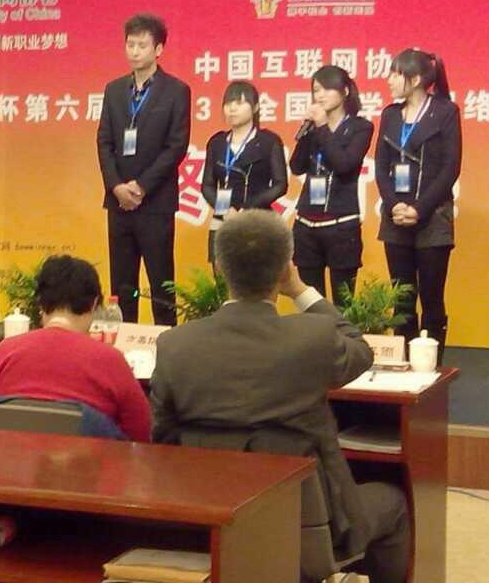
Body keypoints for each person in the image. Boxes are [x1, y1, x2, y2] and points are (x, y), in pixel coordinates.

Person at [150, 210, 409, 583]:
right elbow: (360, 349)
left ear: (219, 268)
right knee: (394, 503)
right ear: (286, 268)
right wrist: (301, 291)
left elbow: (162, 437)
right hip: (309, 529)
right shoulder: (313, 338)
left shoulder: (175, 344)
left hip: (206, 523)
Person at [0, 255, 151, 442]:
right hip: (90, 460)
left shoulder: (5, 351)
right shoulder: (110, 359)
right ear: (94, 303)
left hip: (12, 458)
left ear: (40, 302)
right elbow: (140, 433)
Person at [96, 13, 191, 325]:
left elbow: (176, 146)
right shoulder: (114, 90)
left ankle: (166, 343)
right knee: (123, 286)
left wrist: (141, 187)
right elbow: (104, 141)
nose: (134, 51)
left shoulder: (176, 91)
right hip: (119, 203)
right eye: (130, 44)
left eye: (142, 45)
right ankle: (122, 345)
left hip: (155, 202)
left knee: (161, 283)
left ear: (158, 49)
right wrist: (116, 186)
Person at [374, 48, 461, 362]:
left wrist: (419, 209)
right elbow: (381, 166)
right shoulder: (390, 115)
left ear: (416, 80)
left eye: (396, 74)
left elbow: (450, 168)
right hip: (395, 218)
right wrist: (394, 205)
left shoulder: (445, 111)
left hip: (432, 217)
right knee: (402, 298)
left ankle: (431, 367)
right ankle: (403, 364)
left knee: (432, 299)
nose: (389, 80)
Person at [289, 66, 374, 307]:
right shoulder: (313, 127)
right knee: (310, 302)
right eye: (316, 90)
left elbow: (344, 164)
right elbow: (296, 166)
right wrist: (309, 131)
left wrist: (323, 127)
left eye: (327, 89)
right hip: (306, 224)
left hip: (341, 225)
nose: (320, 95)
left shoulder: (360, 127)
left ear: (345, 91)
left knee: (342, 304)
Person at [201, 81, 287, 264]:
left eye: (239, 103)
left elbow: (280, 185)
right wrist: (225, 210)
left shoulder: (269, 141)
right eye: (228, 103)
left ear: (255, 107)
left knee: (260, 276)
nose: (232, 109)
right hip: (223, 219)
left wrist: (246, 209)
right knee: (222, 276)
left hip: (258, 219)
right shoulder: (217, 143)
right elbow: (207, 185)